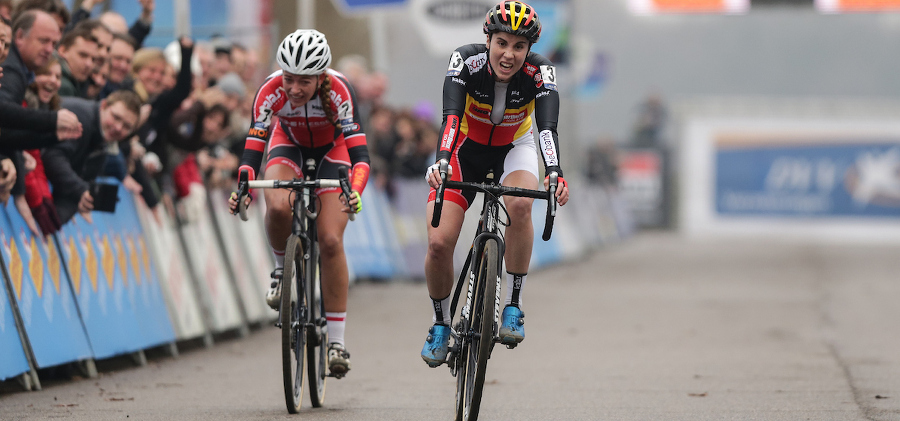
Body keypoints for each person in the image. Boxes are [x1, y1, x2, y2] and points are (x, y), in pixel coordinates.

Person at [420, 0, 570, 367]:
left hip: (513, 148)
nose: (509, 54)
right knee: (439, 243)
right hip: (463, 150)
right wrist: (441, 159)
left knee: (520, 205)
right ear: (487, 39)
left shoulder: (540, 72)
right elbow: (451, 117)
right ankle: (441, 324)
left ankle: (513, 305)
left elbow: (546, 129)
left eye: (519, 46)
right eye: (502, 42)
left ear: (529, 50)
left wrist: (555, 171)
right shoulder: (465, 61)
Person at [229, 29, 370, 378]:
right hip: (287, 144)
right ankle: (281, 272)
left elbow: (361, 158)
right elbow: (253, 147)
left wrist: (355, 191)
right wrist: (244, 184)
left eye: (304, 81)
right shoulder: (270, 89)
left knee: (332, 241)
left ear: (320, 76)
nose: (293, 89)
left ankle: (336, 341)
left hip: (332, 152)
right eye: (289, 79)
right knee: (277, 206)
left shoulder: (338, 90)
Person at [42, 90, 141, 224]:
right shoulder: (81, 118)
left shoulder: (104, 143)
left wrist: (56, 218)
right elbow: (52, 158)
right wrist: (80, 191)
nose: (118, 127)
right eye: (116, 117)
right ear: (104, 105)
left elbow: (82, 186)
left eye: (126, 126)